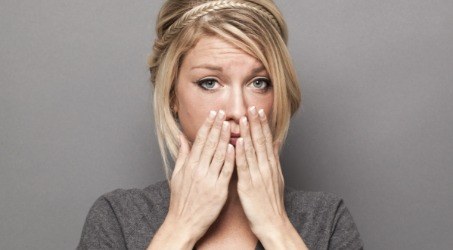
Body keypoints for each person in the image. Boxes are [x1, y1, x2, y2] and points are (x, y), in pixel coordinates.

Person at [77, 0, 364, 249]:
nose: (237, 110)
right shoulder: (116, 218)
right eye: (210, 83)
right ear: (172, 95)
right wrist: (181, 228)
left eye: (259, 82)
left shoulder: (327, 221)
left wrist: (276, 227)